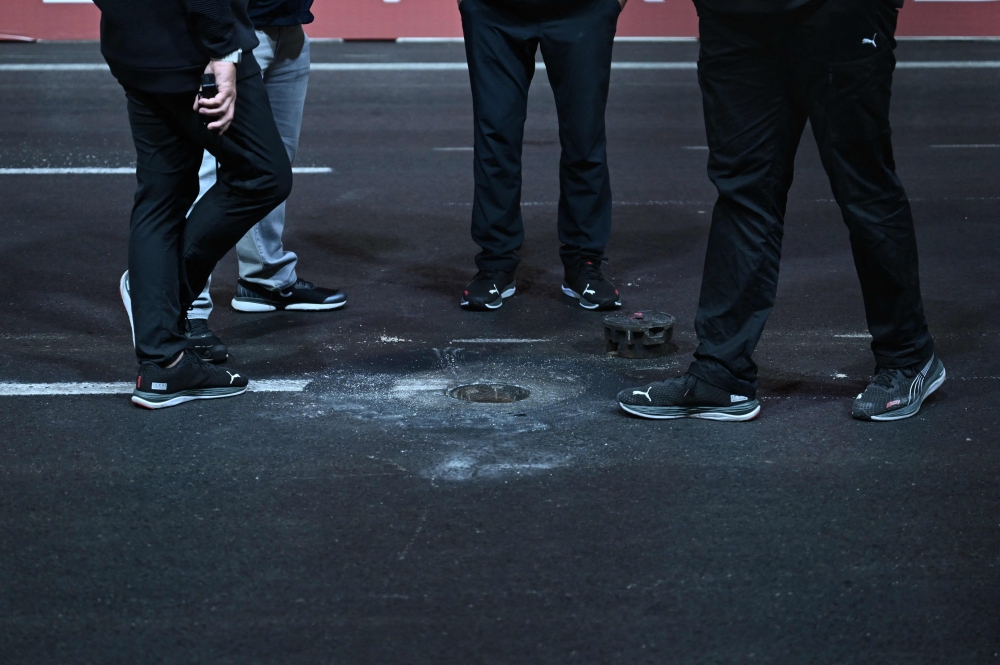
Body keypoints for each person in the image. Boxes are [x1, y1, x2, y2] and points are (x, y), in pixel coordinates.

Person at [618, 0, 945, 422]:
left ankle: (908, 356)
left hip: (840, 14)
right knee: (743, 190)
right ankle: (722, 374)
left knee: (864, 188)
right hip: (736, 17)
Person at [95, 0, 292, 408]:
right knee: (262, 175)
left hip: (131, 40)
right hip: (193, 49)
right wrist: (223, 50)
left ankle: (162, 363)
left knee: (160, 195)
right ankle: (157, 305)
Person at [185, 0, 346, 365]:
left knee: (272, 166)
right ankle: (186, 305)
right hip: (229, 35)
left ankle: (264, 278)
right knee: (211, 172)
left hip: (288, 27)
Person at [457, 0, 626, 311]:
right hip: (493, 12)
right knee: (496, 136)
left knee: (584, 138)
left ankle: (584, 260)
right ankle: (495, 262)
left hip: (583, 11)